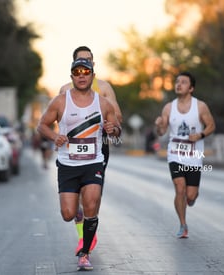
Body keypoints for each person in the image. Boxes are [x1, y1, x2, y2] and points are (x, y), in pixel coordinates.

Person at [37, 58, 121, 271]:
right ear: (72, 76)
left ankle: (85, 253)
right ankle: (83, 232)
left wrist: (113, 130)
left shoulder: (103, 103)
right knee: (68, 213)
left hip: (93, 162)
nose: (82, 75)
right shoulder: (60, 101)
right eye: (77, 72)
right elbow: (42, 125)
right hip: (67, 164)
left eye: (86, 71)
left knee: (91, 205)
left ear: (93, 75)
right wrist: (54, 136)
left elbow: (117, 128)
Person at [60, 46, 123, 256]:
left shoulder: (104, 88)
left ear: (93, 65)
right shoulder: (64, 90)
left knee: (92, 194)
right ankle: (83, 234)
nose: (84, 65)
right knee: (73, 200)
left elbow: (117, 116)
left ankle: (88, 226)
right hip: (71, 150)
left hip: (98, 146)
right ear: (73, 65)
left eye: (88, 61)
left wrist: (109, 126)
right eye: (80, 61)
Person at [155, 72, 215, 239]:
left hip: (194, 155)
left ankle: (192, 198)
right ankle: (183, 224)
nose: (178, 84)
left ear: (191, 88)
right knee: (179, 189)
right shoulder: (169, 107)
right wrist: (159, 125)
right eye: (177, 82)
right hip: (175, 154)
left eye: (183, 82)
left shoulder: (200, 106)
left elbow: (211, 125)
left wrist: (200, 135)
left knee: (190, 195)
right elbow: (161, 132)